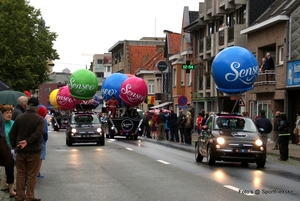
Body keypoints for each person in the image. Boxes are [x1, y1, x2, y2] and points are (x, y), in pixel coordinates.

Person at [9, 97, 44, 201]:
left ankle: (19, 196)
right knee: (32, 175)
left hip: (20, 151)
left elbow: (12, 134)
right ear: (37, 108)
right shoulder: (39, 119)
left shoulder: (19, 118)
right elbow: (38, 134)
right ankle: (29, 196)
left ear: (27, 106)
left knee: (20, 174)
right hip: (33, 151)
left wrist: (15, 145)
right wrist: (28, 141)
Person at [1, 105, 16, 197]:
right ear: (2, 114)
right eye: (6, 113)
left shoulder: (13, 123)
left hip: (10, 150)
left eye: (10, 112)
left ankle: (11, 189)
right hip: (1, 149)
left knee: (10, 170)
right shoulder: (0, 124)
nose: (9, 114)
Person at [37, 105, 48, 179]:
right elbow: (44, 132)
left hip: (34, 141)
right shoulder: (43, 120)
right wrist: (45, 139)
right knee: (40, 158)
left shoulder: (34, 118)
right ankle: (37, 173)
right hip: (41, 141)